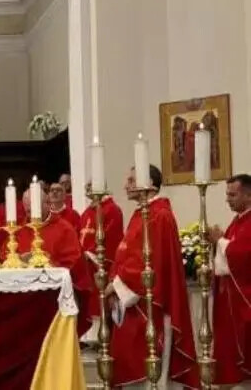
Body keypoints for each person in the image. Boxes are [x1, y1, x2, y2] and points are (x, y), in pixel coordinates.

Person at [107, 165, 199, 388]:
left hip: (149, 306)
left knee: (150, 375)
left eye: (131, 180)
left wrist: (116, 285)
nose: (125, 185)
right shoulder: (142, 213)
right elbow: (126, 253)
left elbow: (153, 263)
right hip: (130, 303)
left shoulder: (160, 215)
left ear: (147, 183)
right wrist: (113, 282)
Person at [1, 188, 93, 334]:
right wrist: (19, 260)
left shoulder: (64, 229)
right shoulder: (19, 231)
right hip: (23, 297)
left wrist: (45, 263)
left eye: (33, 210)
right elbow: (4, 258)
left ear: (47, 203)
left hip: (52, 296)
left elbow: (73, 263)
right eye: (28, 211)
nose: (30, 216)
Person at [209, 174, 251, 385]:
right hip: (229, 298)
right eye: (227, 194)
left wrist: (220, 241)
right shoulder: (238, 221)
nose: (228, 199)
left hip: (243, 298)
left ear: (248, 195)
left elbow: (243, 255)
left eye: (232, 194)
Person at [78, 182, 124, 339]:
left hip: (98, 263)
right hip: (85, 263)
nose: (88, 190)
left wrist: (91, 254)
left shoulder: (112, 210)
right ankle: (87, 337)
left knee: (99, 299)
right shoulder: (86, 213)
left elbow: (112, 237)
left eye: (92, 187)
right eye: (87, 187)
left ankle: (101, 337)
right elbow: (81, 236)